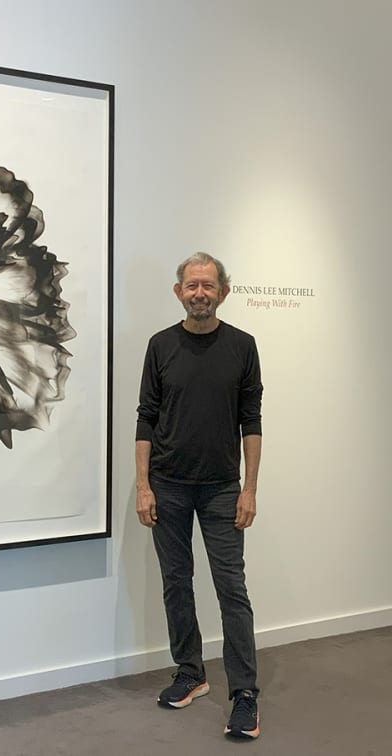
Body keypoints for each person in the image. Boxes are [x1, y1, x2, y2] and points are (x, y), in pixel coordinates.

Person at [135, 252, 263, 740]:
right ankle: (190, 671)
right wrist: (144, 486)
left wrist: (249, 489)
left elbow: (251, 419)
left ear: (223, 292)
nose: (200, 293)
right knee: (176, 581)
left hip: (221, 488)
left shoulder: (243, 347)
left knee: (232, 588)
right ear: (179, 292)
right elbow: (145, 416)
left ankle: (245, 693)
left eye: (208, 285)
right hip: (167, 484)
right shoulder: (160, 346)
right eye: (192, 285)